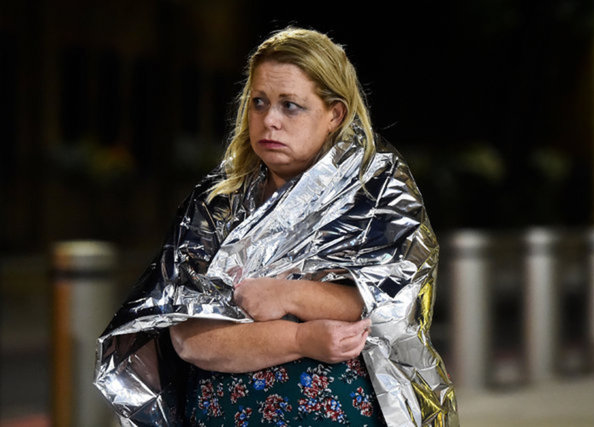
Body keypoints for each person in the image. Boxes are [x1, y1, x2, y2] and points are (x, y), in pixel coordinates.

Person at [95, 27, 458, 426]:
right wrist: (301, 338)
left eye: (290, 106)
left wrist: (287, 295)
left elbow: (382, 306)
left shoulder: (374, 196)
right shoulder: (216, 205)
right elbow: (190, 339)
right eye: (259, 103)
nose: (270, 120)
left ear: (334, 114)